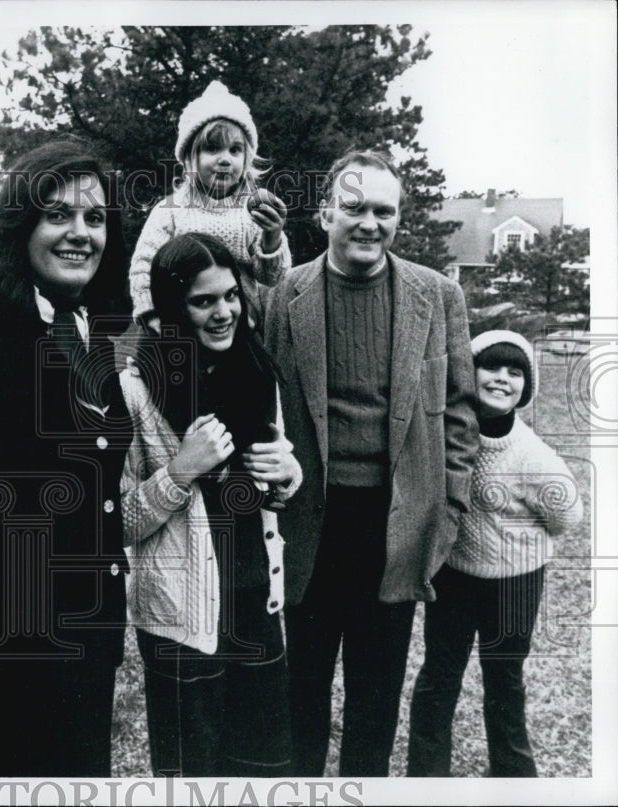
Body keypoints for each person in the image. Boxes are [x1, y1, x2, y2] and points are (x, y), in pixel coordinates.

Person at [0, 139, 133, 777]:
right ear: (20, 226)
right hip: (12, 665)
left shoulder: (86, 334)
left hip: (89, 648)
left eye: (95, 219)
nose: (80, 234)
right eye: (58, 214)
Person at [262, 148, 479, 777]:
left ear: (399, 218)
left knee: (374, 704)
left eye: (384, 211)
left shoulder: (437, 297)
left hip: (395, 526)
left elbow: (460, 414)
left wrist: (448, 510)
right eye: (354, 208)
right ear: (327, 212)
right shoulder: (286, 294)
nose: (369, 223)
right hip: (308, 525)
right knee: (299, 696)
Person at [121, 233, 302, 776]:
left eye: (230, 296)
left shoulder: (257, 372)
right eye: (203, 301)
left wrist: (287, 477)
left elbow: (275, 482)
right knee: (190, 777)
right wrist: (179, 471)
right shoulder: (137, 388)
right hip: (183, 620)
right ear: (174, 308)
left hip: (256, 604)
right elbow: (119, 522)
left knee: (261, 771)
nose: (223, 312)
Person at [407, 330, 583, 777]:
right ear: (469, 373)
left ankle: (514, 779)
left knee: (504, 683)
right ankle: (426, 781)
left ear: (527, 385)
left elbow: (568, 517)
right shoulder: (442, 437)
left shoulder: (535, 458)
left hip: (515, 584)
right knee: (439, 679)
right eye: (491, 366)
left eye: (515, 371)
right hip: (454, 577)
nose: (502, 378)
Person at [129, 80, 291, 333]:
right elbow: (143, 265)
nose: (225, 159)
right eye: (212, 148)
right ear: (190, 157)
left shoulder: (251, 213)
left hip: (239, 330)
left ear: (247, 159)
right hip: (181, 327)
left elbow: (272, 279)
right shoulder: (171, 210)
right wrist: (151, 315)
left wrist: (272, 237)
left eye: (235, 150)